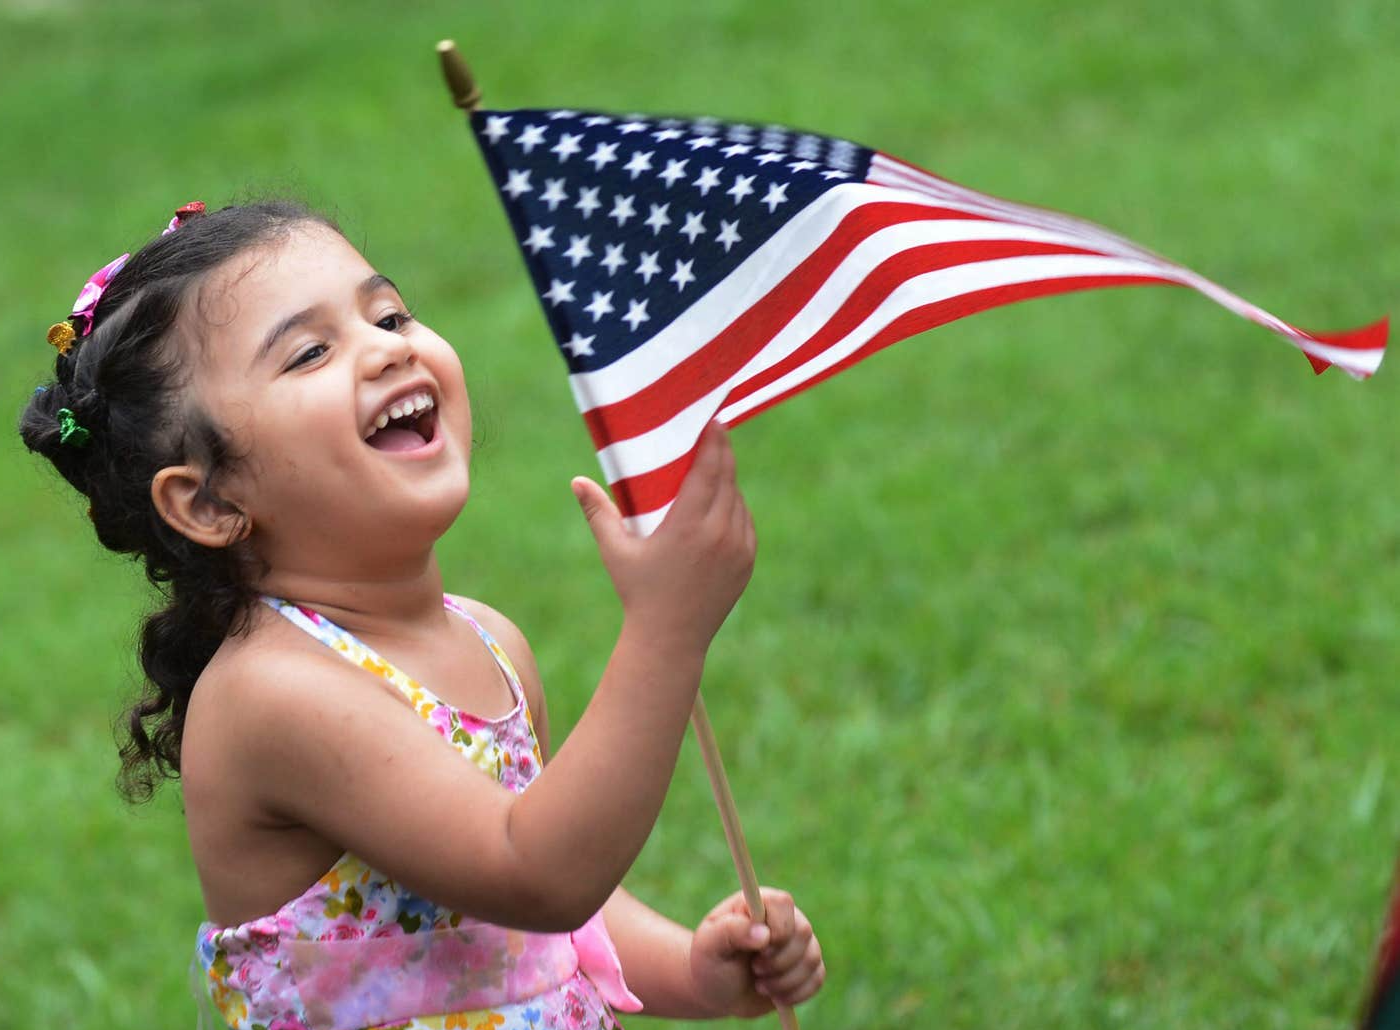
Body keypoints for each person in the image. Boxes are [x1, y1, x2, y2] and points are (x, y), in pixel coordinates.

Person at [20, 200, 824, 1030]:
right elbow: (534, 871)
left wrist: (690, 969)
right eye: (308, 353)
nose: (386, 348)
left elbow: (539, 913)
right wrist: (665, 634)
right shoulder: (273, 692)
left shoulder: (487, 638)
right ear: (210, 499)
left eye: (389, 313)